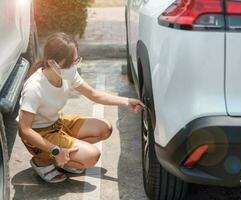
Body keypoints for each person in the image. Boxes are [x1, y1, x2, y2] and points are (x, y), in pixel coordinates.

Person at [17, 32, 145, 183]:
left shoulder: (66, 74)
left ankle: (67, 155)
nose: (75, 65)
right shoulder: (34, 87)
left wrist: (126, 101)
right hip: (39, 134)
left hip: (57, 123)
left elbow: (94, 94)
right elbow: (24, 130)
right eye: (71, 62)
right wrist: (55, 150)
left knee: (105, 128)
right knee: (92, 157)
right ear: (52, 63)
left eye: (76, 60)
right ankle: (42, 162)